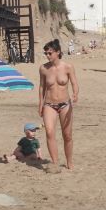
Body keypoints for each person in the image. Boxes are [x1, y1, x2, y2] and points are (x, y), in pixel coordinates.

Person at [38, 38, 79, 173]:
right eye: (46, 53)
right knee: (49, 132)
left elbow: (74, 83)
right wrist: (40, 104)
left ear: (58, 52)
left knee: (67, 135)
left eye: (50, 53)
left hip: (65, 104)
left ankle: (69, 162)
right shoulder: (43, 69)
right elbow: (42, 87)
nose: (47, 56)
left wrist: (75, 94)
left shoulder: (68, 67)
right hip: (49, 104)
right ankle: (55, 163)